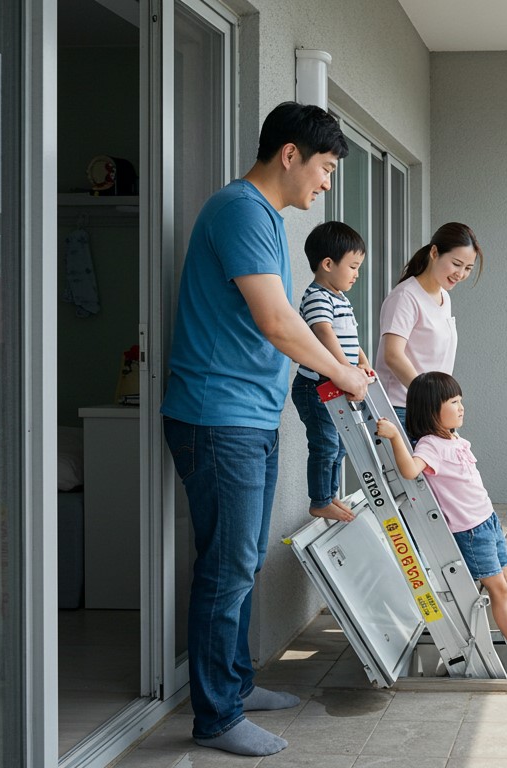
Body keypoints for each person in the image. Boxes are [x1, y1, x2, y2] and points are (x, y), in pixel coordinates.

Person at [159, 102, 369, 757]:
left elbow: (283, 321)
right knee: (227, 569)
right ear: (289, 154)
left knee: (241, 562)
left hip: (245, 416)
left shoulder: (265, 218)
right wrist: (342, 371)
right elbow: (277, 322)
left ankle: (236, 686)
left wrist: (341, 364)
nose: (327, 182)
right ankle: (217, 717)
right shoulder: (242, 211)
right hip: (218, 418)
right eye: (325, 167)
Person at [374, 372, 507, 681]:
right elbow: (409, 470)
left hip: (488, 520)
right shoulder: (430, 445)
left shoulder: (452, 438)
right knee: (498, 590)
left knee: (505, 586)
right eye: (453, 402)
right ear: (431, 409)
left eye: (460, 401)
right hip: (471, 532)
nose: (461, 407)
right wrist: (394, 437)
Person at [290, 221, 372, 523]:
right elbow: (324, 332)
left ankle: (330, 494)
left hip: (335, 387)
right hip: (315, 388)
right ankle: (320, 500)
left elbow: (350, 338)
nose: (357, 274)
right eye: (353, 266)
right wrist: (343, 368)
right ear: (327, 264)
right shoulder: (317, 296)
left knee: (340, 444)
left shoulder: (341, 299)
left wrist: (362, 361)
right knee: (325, 443)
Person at [373, 222, 482, 425]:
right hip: (402, 408)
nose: (460, 274)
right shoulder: (405, 297)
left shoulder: (444, 297)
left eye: (468, 268)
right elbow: (392, 355)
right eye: (456, 264)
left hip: (432, 408)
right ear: (434, 252)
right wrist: (427, 398)